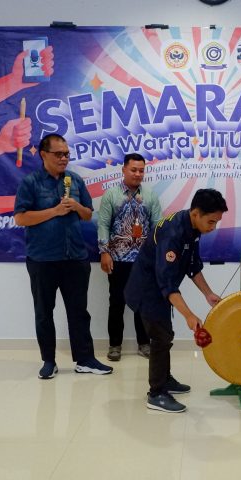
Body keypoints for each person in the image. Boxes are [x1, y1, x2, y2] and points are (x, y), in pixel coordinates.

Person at [14, 133, 113, 379]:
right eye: (58, 154)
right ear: (43, 154)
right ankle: (49, 361)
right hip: (43, 260)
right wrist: (55, 211)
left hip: (75, 258)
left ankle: (85, 359)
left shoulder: (75, 180)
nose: (64, 158)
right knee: (43, 312)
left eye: (67, 154)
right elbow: (21, 218)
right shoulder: (31, 182)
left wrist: (76, 207)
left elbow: (88, 214)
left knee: (79, 311)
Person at [125, 189, 228, 413]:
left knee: (165, 334)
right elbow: (167, 283)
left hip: (160, 288)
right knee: (161, 337)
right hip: (147, 289)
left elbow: (192, 265)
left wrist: (208, 293)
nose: (213, 227)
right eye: (211, 221)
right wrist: (189, 315)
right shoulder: (173, 234)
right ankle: (157, 393)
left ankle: (165, 379)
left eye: (216, 222)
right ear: (196, 213)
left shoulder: (193, 228)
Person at [97, 153, 162, 361]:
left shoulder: (150, 196)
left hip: (143, 260)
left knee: (142, 304)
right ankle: (115, 345)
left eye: (141, 170)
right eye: (133, 170)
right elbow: (103, 224)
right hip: (117, 259)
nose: (137, 174)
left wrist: (156, 256)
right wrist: (104, 252)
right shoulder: (111, 195)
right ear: (124, 170)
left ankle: (144, 343)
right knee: (117, 303)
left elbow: (157, 227)